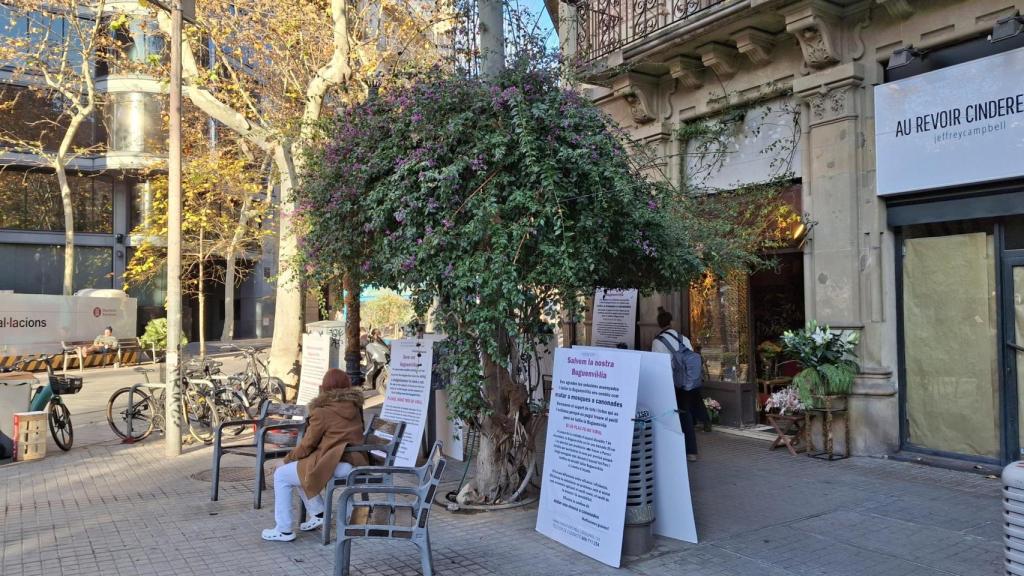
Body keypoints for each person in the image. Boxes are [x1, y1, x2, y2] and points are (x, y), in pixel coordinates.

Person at [262, 368, 368, 542]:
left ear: (323, 387)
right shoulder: (355, 406)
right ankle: (318, 512)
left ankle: (284, 529)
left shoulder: (322, 411)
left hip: (335, 462)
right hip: (354, 461)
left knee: (282, 474)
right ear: (347, 386)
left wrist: (285, 459)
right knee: (300, 469)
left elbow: (307, 445)